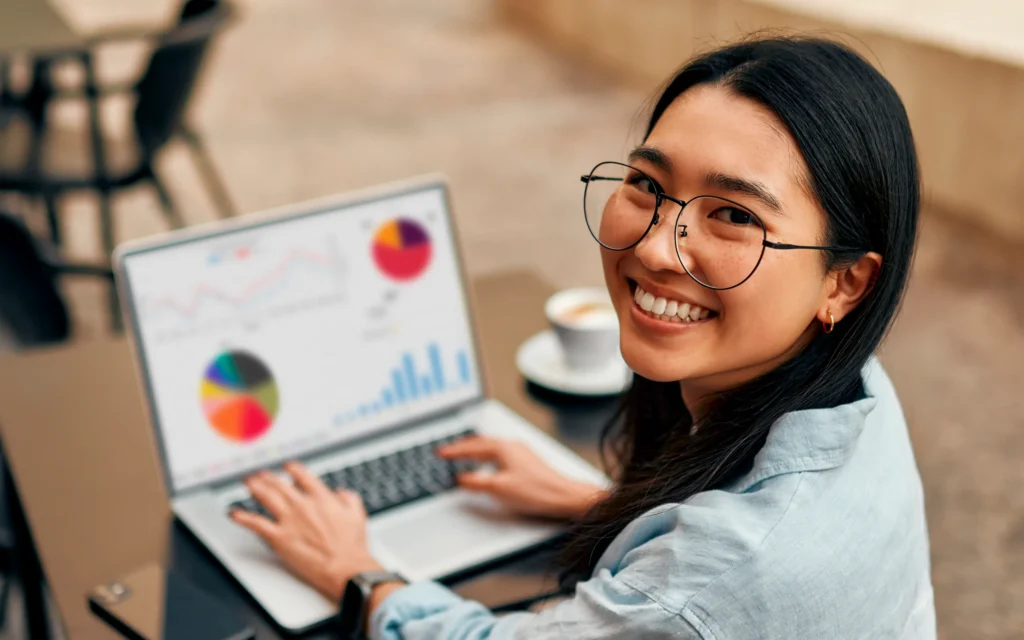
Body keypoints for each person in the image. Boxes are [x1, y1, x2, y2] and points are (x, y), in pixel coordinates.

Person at [231, 36, 936, 638]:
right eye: (646, 184)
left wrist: (356, 574)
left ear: (845, 283)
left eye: (734, 215)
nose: (659, 249)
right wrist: (600, 506)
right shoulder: (857, 393)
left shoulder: (716, 580)